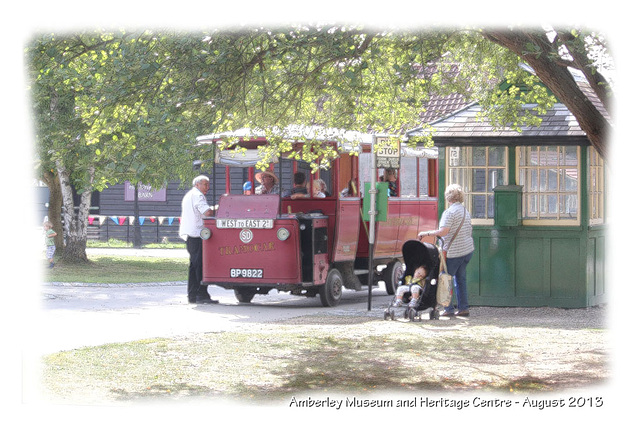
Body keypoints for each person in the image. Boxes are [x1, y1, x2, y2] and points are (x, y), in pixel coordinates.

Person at [418, 184, 474, 317]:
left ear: (448, 197)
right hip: (467, 250)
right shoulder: (465, 211)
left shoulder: (449, 213)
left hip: (454, 252)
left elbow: (443, 232)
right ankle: (463, 308)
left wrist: (426, 233)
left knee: (444, 279)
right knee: (460, 279)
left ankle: (448, 309)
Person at [179, 175, 218, 305]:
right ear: (197, 184)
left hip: (191, 234)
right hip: (196, 235)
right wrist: (218, 208)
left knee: (194, 265)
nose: (207, 187)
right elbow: (207, 212)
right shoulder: (198, 196)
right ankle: (201, 294)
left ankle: (193, 295)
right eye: (205, 184)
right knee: (200, 266)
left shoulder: (189, 194)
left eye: (208, 184)